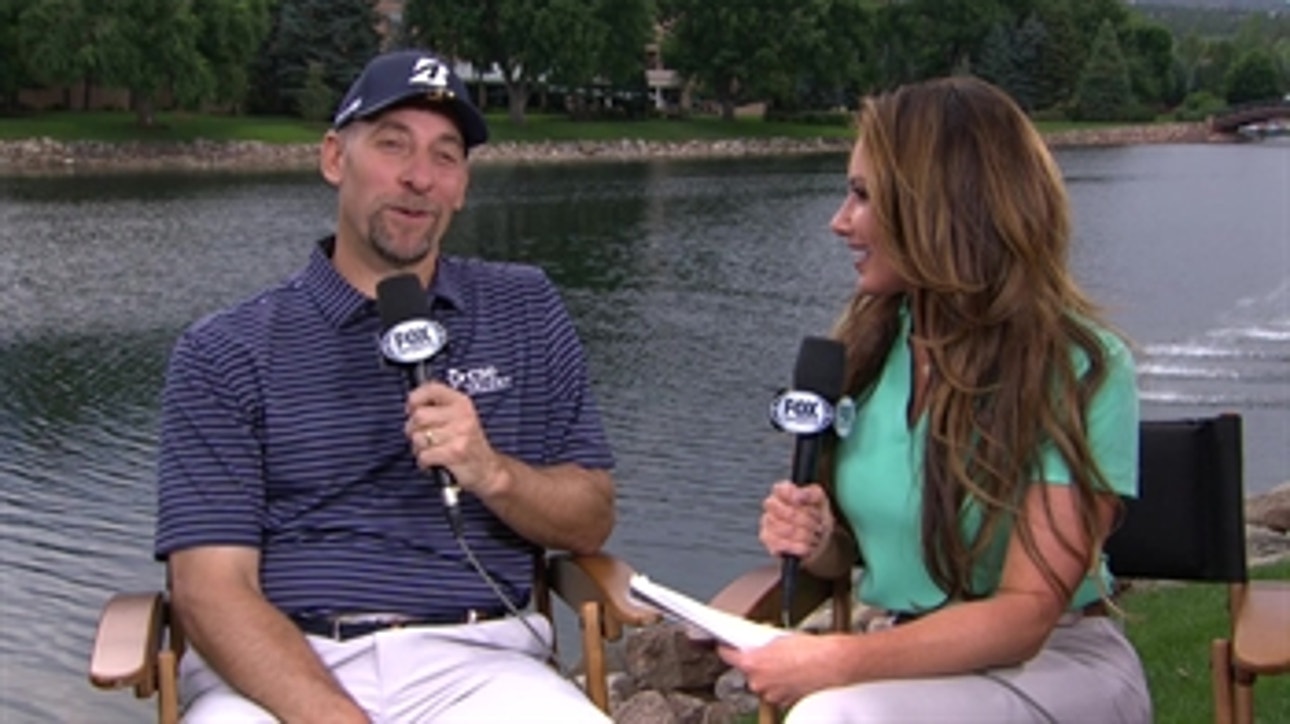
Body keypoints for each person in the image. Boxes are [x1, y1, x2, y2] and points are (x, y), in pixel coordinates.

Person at [154, 48, 615, 723]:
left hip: (480, 666)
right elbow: (209, 590)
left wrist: (492, 472)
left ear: (462, 185)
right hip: (280, 673)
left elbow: (591, 519)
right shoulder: (225, 350)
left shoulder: (525, 307)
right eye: (392, 145)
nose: (418, 179)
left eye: (445, 156)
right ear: (335, 158)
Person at [719, 76, 1153, 723]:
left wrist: (836, 661)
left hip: (1057, 664)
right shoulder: (866, 352)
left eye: (863, 196)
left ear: (939, 206)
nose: (839, 221)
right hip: (909, 661)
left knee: (835, 717)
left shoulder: (1077, 366)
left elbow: (1025, 616)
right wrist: (819, 543)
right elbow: (861, 558)